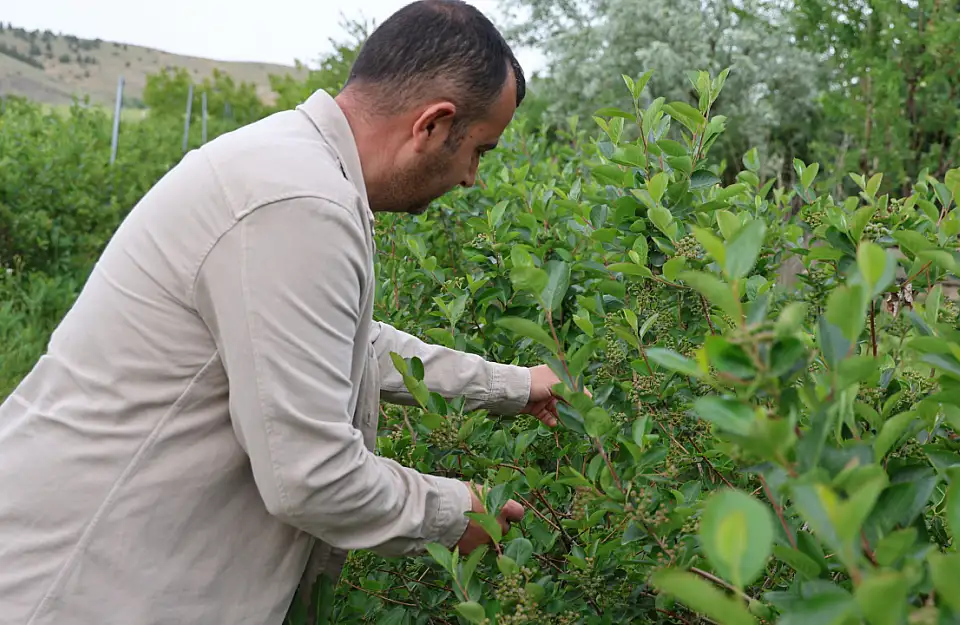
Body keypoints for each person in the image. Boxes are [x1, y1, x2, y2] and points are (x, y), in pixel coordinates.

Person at [0, 1, 563, 623]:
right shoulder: (297, 201)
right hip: (74, 586)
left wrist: (514, 385)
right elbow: (312, 477)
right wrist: (459, 513)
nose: (471, 179)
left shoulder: (295, 169)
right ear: (432, 125)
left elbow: (346, 343)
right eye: (479, 150)